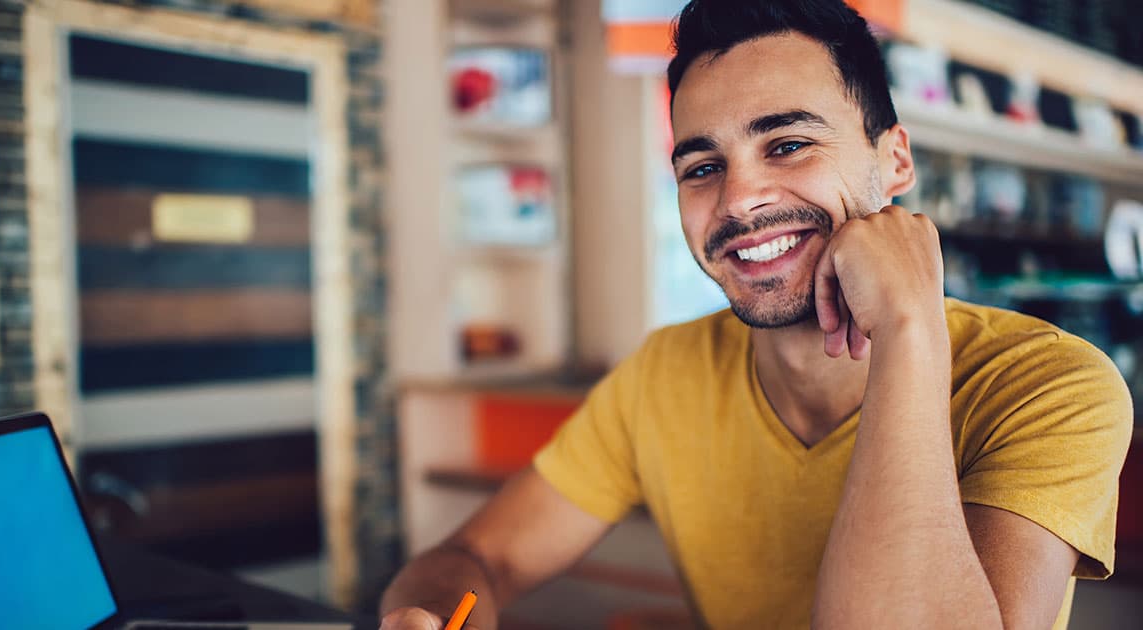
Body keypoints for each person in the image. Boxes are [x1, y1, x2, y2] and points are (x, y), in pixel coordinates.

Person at [380, 1, 1134, 628]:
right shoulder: (664, 376)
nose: (739, 200)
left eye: (790, 143)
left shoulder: (1053, 385)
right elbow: (479, 559)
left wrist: (909, 330)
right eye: (702, 167)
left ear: (895, 161)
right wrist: (427, 611)